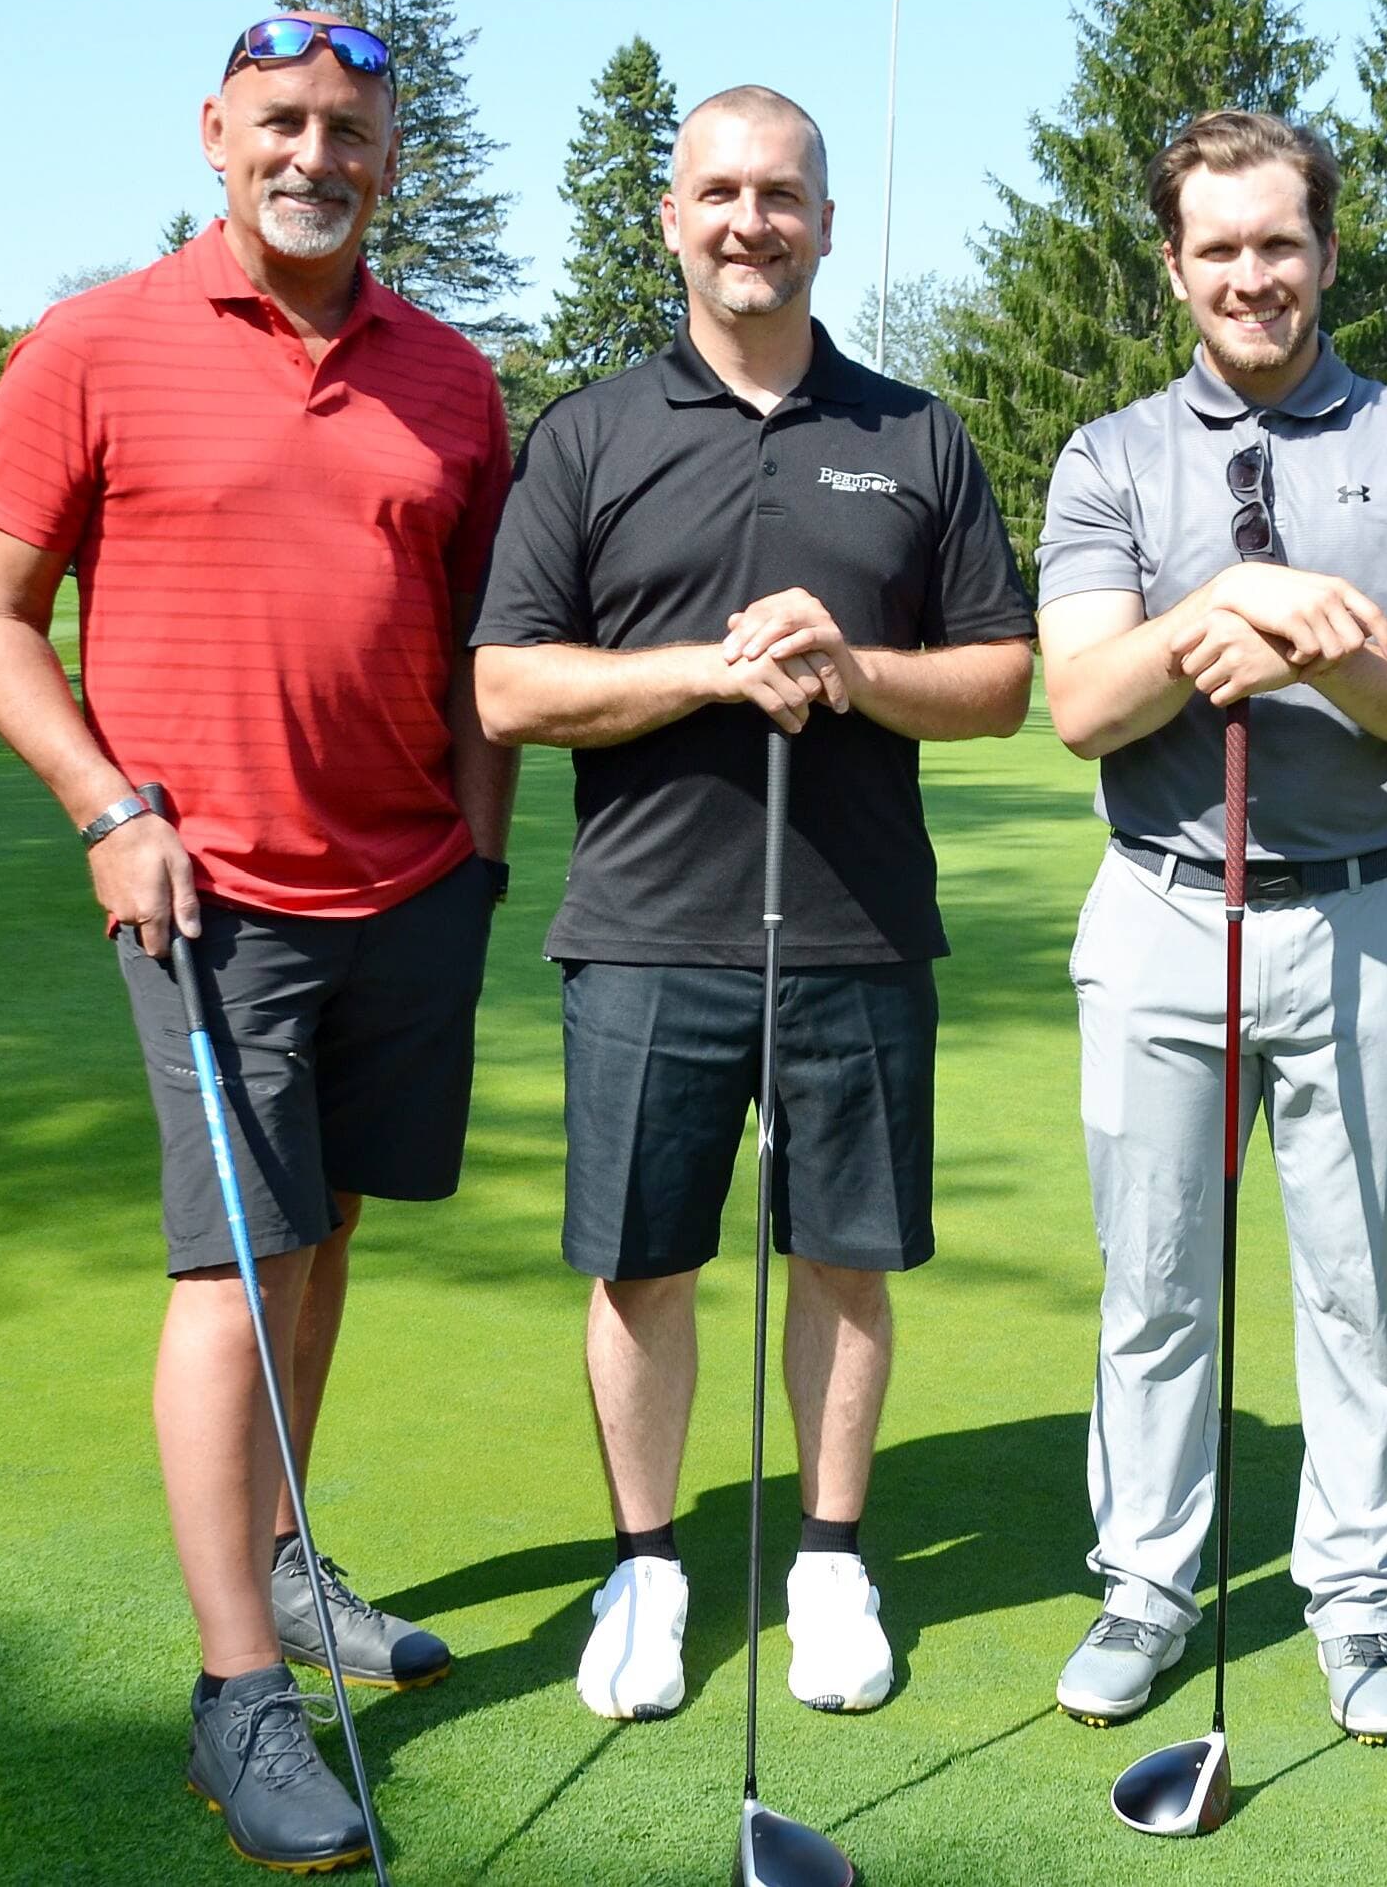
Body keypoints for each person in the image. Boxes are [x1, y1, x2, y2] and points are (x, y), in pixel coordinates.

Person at [0, 11, 517, 1874]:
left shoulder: (451, 376)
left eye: (349, 130)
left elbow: (474, 647)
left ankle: (280, 1556)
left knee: (324, 1232)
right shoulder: (93, 342)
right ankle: (235, 1688)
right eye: (282, 121)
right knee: (234, 1264)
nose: (314, 155)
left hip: (408, 885)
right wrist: (105, 808)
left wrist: (481, 850)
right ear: (215, 131)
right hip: (207, 897)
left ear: (390, 159)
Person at [474, 85, 1033, 1725]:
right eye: (717, 191)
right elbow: (509, 685)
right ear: (671, 218)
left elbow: (1000, 680)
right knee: (641, 1264)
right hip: (644, 929)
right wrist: (706, 672)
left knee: (844, 1261)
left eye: (780, 194)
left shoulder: (913, 434)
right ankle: (646, 1566)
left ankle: (830, 1561)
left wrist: (850, 668)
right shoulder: (590, 433)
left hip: (857, 928)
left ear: (826, 224)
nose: (749, 221)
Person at [1034, 110, 1387, 1743]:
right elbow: (1084, 705)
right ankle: (1145, 1585)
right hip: (1161, 908)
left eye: (1279, 242)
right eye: (1219, 247)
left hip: (1361, 914)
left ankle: (1357, 1600)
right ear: (1174, 267)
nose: (1253, 274)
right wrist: (1220, 606)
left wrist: (1327, 653)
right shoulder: (1108, 457)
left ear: (1325, 251)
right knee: (1157, 1284)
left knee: (1360, 1291)